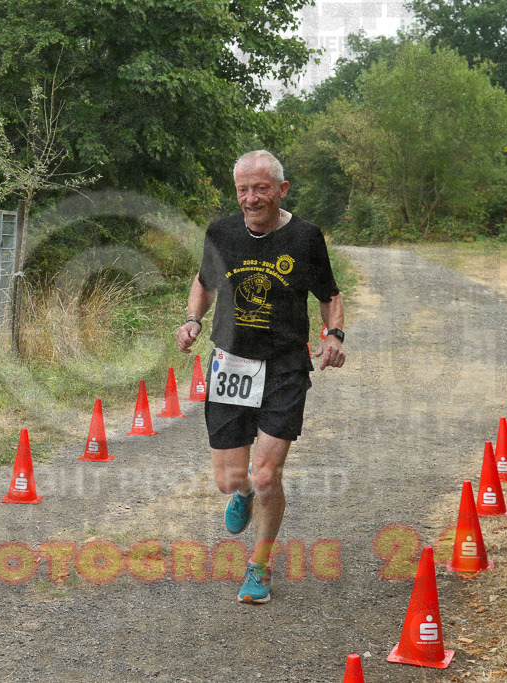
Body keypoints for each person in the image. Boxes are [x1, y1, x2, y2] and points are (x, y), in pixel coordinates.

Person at [176, 150, 345, 604]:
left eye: (261, 189)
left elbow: (329, 295)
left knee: (269, 475)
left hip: (286, 366)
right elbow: (205, 282)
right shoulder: (222, 232)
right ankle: (242, 491)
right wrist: (193, 319)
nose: (251, 199)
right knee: (231, 481)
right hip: (232, 364)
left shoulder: (306, 237)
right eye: (243, 190)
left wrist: (334, 335)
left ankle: (260, 566)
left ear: (282, 190)